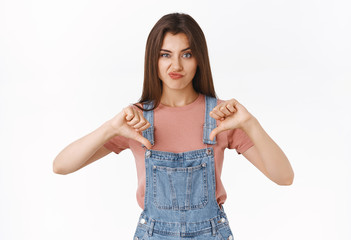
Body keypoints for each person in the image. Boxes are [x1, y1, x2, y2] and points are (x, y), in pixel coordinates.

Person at [53, 12, 294, 240]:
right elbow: (61, 166)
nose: (176, 66)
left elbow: (284, 177)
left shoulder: (223, 116)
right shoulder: (135, 120)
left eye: (186, 54)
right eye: (165, 54)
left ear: (199, 59)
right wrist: (110, 128)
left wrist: (251, 124)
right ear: (153, 60)